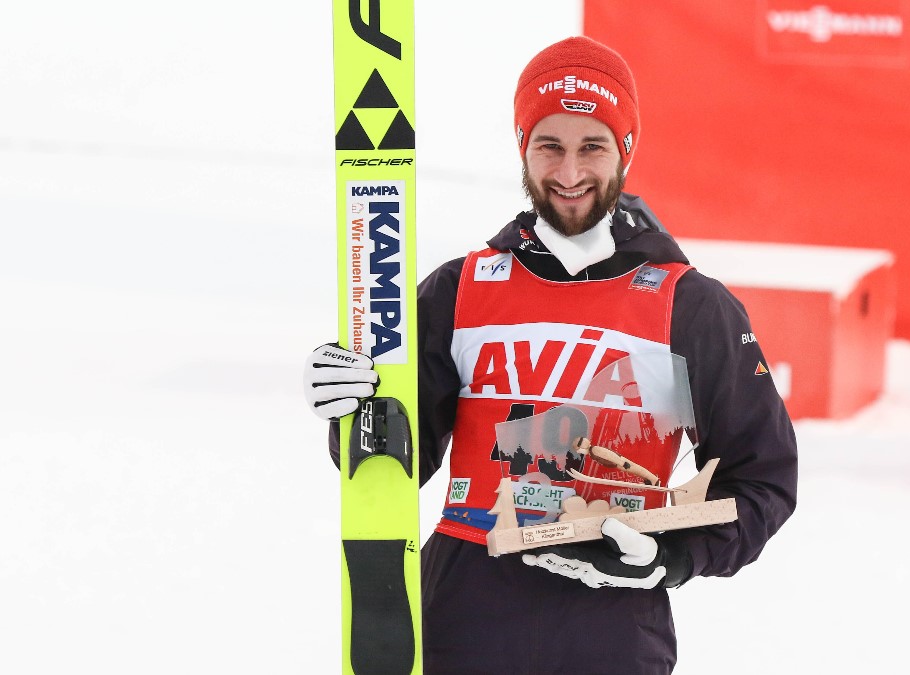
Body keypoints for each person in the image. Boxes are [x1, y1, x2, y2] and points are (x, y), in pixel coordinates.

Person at [304, 36, 797, 674]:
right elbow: (396, 460)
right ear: (522, 149)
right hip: (461, 619)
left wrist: (673, 556)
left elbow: (762, 480)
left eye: (592, 145)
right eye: (549, 146)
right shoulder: (460, 290)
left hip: (610, 632)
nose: (569, 173)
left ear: (625, 148)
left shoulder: (690, 306)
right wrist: (354, 411)